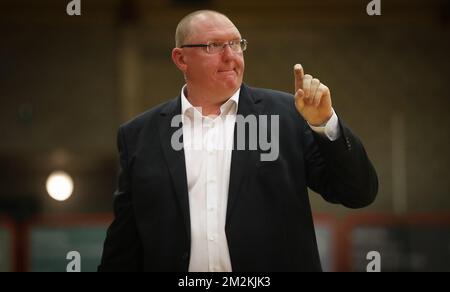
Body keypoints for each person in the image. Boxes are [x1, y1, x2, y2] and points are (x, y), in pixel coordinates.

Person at [98, 10, 378, 272]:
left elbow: (357, 193)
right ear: (181, 58)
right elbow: (124, 243)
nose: (231, 56)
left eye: (236, 44)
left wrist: (325, 123)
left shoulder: (287, 115)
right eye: (214, 46)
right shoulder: (139, 134)